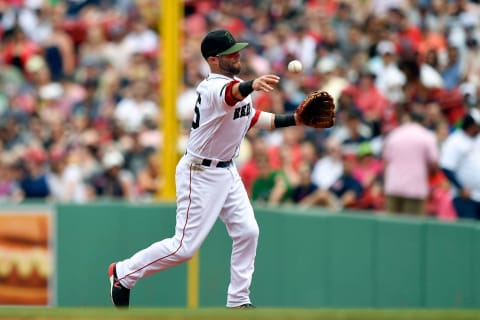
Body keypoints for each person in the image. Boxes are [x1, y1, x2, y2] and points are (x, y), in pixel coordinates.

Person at [108, 29, 333, 308]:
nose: (237, 55)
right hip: (199, 173)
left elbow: (251, 118)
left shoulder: (235, 85)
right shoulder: (214, 87)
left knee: (248, 232)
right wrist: (252, 85)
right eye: (230, 53)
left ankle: (238, 300)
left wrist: (295, 119)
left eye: (237, 50)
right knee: (183, 248)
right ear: (213, 60)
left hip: (227, 170)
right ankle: (123, 273)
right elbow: (231, 95)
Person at [382, 111, 439, 215]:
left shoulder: (394, 134)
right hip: (415, 189)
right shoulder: (427, 136)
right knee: (412, 228)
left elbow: (385, 162)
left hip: (393, 186)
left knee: (392, 227)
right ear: (423, 122)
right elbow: (434, 164)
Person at [439, 110, 480, 220]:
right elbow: (446, 167)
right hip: (465, 196)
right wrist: (461, 188)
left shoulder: (478, 139)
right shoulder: (455, 141)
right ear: (471, 126)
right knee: (468, 230)